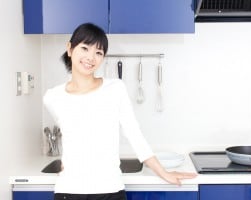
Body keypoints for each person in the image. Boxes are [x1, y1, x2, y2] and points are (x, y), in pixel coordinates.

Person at [43, 23, 196, 200]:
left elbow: (134, 133)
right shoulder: (53, 97)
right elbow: (71, 133)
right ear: (69, 49)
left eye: (98, 53)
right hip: (68, 191)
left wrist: (163, 172)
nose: (91, 57)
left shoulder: (115, 88)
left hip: (110, 190)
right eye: (84, 48)